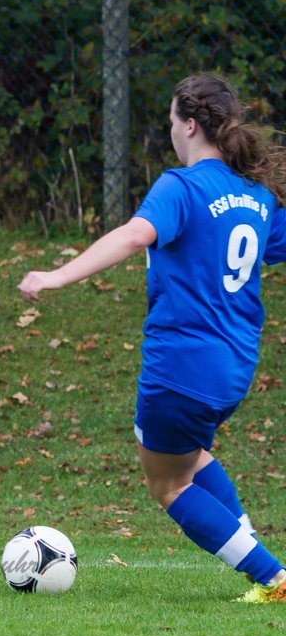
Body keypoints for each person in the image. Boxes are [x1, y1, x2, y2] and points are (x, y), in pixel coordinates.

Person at [19, 73, 286, 603]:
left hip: (182, 361)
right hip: (234, 365)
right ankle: (255, 555)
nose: (169, 131)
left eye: (171, 121)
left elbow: (132, 235)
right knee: (187, 456)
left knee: (169, 484)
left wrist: (56, 276)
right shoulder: (255, 196)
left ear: (189, 124)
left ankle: (272, 577)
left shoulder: (181, 186)